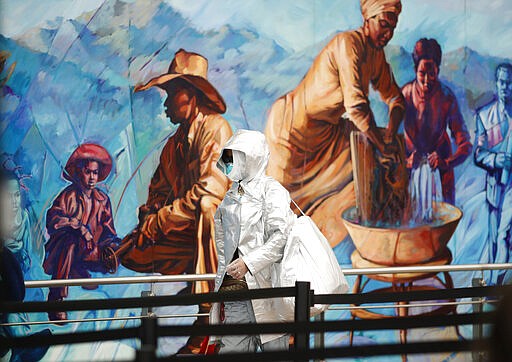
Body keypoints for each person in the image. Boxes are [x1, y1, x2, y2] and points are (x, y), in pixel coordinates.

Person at [264, 0, 405, 247]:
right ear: (367, 19)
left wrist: (391, 134)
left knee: (385, 155)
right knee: (281, 216)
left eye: (392, 28)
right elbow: (357, 108)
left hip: (328, 133)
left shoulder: (376, 55)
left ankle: (384, 233)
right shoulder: (348, 44)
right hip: (292, 131)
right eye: (384, 24)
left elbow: (395, 97)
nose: (388, 33)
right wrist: (383, 145)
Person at [120, 49, 233, 354]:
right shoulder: (174, 145)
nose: (166, 103)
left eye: (172, 94)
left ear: (192, 95)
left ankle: (207, 320)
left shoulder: (217, 129)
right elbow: (158, 190)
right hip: (189, 228)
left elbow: (212, 190)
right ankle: (197, 284)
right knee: (134, 252)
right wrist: (149, 217)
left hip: (226, 229)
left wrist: (162, 219)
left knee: (210, 211)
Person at [213, 129, 295, 354]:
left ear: (251, 157)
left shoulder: (272, 190)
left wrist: (249, 262)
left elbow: (281, 236)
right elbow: (224, 247)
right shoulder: (231, 195)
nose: (229, 163)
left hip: (266, 290)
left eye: (234, 157)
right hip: (235, 293)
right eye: (227, 158)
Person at [43, 143, 120, 321]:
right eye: (88, 172)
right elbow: (52, 221)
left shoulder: (103, 199)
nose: (92, 177)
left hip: (92, 251)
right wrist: (77, 227)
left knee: (122, 246)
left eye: (95, 173)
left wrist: (115, 245)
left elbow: (109, 232)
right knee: (70, 240)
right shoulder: (68, 196)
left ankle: (80, 270)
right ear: (79, 172)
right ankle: (56, 298)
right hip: (65, 251)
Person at [402, 38, 472, 206]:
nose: (427, 80)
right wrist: (405, 161)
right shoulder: (404, 96)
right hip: (409, 173)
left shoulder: (447, 98)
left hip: (441, 177)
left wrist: (446, 163)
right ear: (415, 70)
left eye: (431, 73)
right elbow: (388, 143)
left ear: (438, 71)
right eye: (422, 74)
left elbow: (465, 144)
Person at [474, 63, 512, 285]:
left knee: (505, 234)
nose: (504, 87)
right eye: (501, 82)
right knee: (494, 239)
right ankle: (493, 285)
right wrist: (498, 160)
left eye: (508, 82)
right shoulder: (485, 116)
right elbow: (479, 154)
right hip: (494, 186)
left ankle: (501, 283)